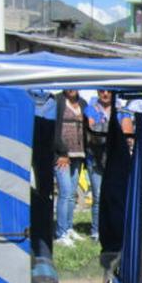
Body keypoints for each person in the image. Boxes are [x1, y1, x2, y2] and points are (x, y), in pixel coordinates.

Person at [84, 89, 133, 240]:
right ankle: (97, 230)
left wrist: (104, 130)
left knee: (117, 195)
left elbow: (128, 132)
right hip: (96, 160)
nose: (105, 94)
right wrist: (113, 132)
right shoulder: (90, 109)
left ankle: (117, 228)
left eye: (108, 91)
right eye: (101, 91)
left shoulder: (122, 110)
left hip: (116, 160)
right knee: (98, 196)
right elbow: (91, 132)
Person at [53, 89, 87, 247]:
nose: (72, 88)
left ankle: (68, 228)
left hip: (78, 154)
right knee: (65, 193)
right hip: (62, 156)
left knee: (72, 194)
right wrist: (60, 152)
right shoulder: (57, 101)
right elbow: (53, 128)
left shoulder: (83, 103)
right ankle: (60, 233)